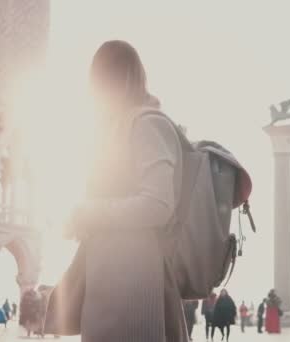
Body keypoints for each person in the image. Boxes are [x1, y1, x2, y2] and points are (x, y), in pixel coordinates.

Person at [62, 40, 187, 342]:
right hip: (109, 276)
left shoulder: (147, 124)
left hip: (135, 281)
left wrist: (89, 212)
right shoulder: (115, 128)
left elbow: (158, 204)